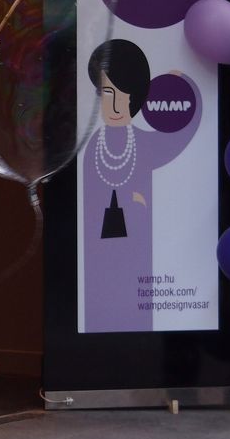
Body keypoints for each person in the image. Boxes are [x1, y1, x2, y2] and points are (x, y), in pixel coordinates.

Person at [81, 38, 202, 333]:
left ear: (134, 94)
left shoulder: (142, 144)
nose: (110, 103)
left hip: (135, 256)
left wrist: (186, 85)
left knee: (132, 309)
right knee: (101, 309)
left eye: (117, 93)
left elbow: (179, 134)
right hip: (98, 258)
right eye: (103, 93)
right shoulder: (94, 145)